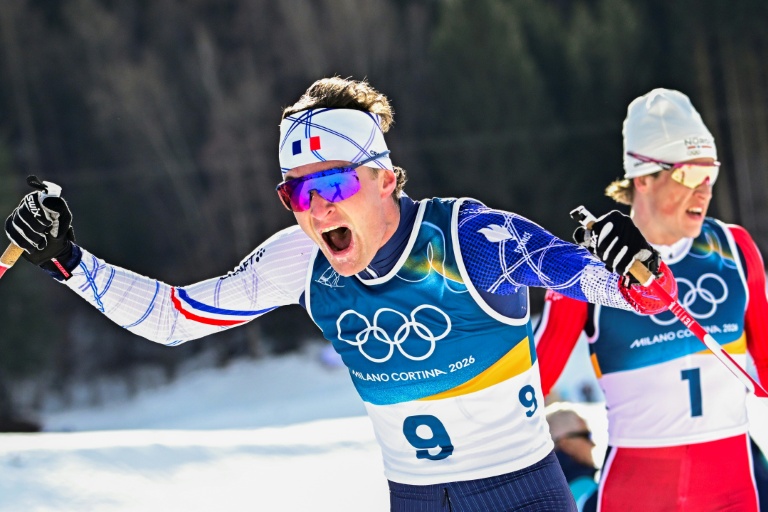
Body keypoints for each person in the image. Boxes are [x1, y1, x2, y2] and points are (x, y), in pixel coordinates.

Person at [5, 77, 673, 511]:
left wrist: (638, 266)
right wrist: (68, 260)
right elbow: (176, 318)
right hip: (412, 499)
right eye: (298, 192)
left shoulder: (470, 238)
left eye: (331, 186)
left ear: (384, 180)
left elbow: (627, 291)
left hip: (520, 495)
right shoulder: (299, 261)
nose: (316, 211)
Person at [535, 88, 768, 511]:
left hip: (732, 492)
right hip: (637, 494)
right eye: (689, 177)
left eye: (709, 175)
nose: (704, 191)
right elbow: (532, 385)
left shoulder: (734, 249)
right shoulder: (593, 268)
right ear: (643, 178)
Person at [545, 402, 598, 512]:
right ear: (565, 443)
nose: (593, 444)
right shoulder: (589, 492)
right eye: (586, 435)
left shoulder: (538, 497)